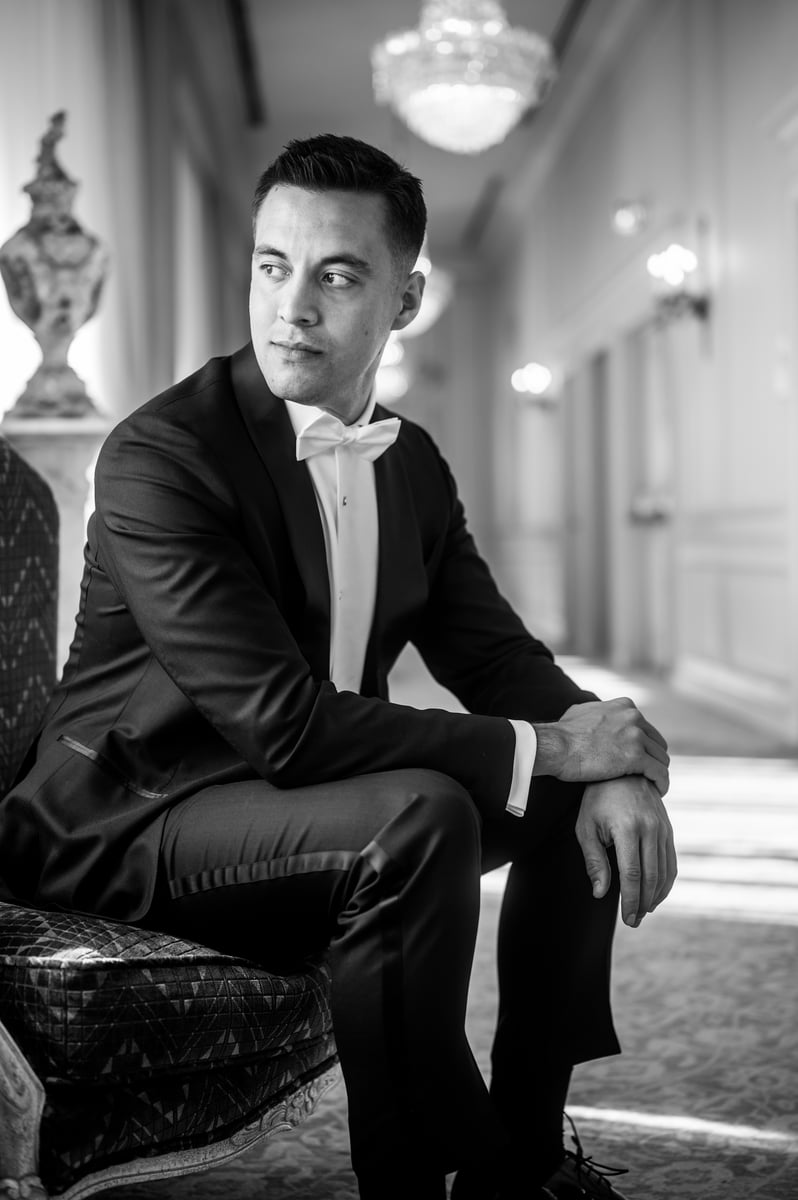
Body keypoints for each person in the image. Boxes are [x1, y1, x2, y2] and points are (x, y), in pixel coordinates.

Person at [0, 134, 677, 1200]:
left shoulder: (411, 462)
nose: (292, 308)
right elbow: (284, 723)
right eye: (273, 265)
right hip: (127, 821)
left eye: (338, 276)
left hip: (288, 802)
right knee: (420, 815)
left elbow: (493, 653)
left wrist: (611, 755)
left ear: (404, 300)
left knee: (556, 796)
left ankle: (523, 1166)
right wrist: (553, 745)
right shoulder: (162, 455)